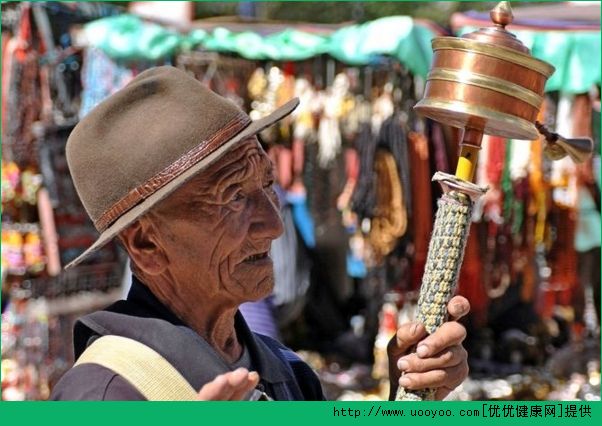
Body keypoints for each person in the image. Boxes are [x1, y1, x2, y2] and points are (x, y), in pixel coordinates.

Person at [50, 66, 469, 401]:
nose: (273, 225)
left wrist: (411, 396)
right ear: (146, 244)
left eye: (267, 186)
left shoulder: (286, 374)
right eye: (233, 197)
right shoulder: (103, 395)